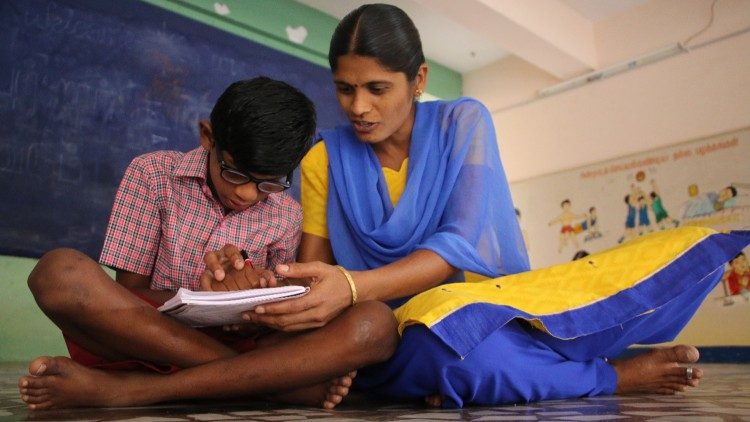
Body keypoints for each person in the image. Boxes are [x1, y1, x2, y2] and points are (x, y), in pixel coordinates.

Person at [19, 4, 741, 411]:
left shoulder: (462, 124)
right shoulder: (318, 157)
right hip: (306, 329)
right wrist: (259, 295)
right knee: (60, 271)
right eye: (344, 88)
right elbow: (306, 271)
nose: (358, 108)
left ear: (418, 79)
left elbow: (462, 243)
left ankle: (611, 376)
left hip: (453, 303)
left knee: (434, 345)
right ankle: (251, 383)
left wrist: (334, 291)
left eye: (378, 89)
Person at [18, 77, 398, 410]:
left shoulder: (286, 214)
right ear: (208, 137)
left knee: (377, 323)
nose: (248, 193)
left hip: (249, 347)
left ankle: (135, 391)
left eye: (269, 183)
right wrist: (202, 292)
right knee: (58, 271)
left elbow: (279, 324)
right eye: (234, 172)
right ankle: (269, 385)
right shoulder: (152, 175)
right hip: (149, 339)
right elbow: (129, 298)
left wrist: (251, 299)